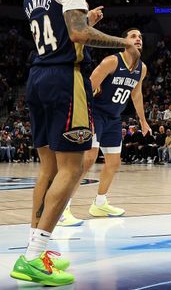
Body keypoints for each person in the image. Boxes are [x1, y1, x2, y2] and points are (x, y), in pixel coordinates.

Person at [13, 0, 139, 287]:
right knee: (75, 167)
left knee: (49, 170)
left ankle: (35, 249)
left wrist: (87, 18)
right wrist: (122, 42)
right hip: (65, 78)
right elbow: (78, 33)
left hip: (37, 77)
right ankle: (34, 255)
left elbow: (64, 27)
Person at [59, 28, 149, 226]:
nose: (138, 39)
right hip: (95, 114)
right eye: (133, 36)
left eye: (140, 36)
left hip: (114, 118)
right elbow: (88, 87)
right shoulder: (112, 61)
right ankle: (62, 209)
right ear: (122, 41)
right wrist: (80, 115)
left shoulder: (141, 68)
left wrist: (143, 120)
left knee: (114, 163)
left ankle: (99, 203)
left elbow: (136, 94)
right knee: (88, 159)